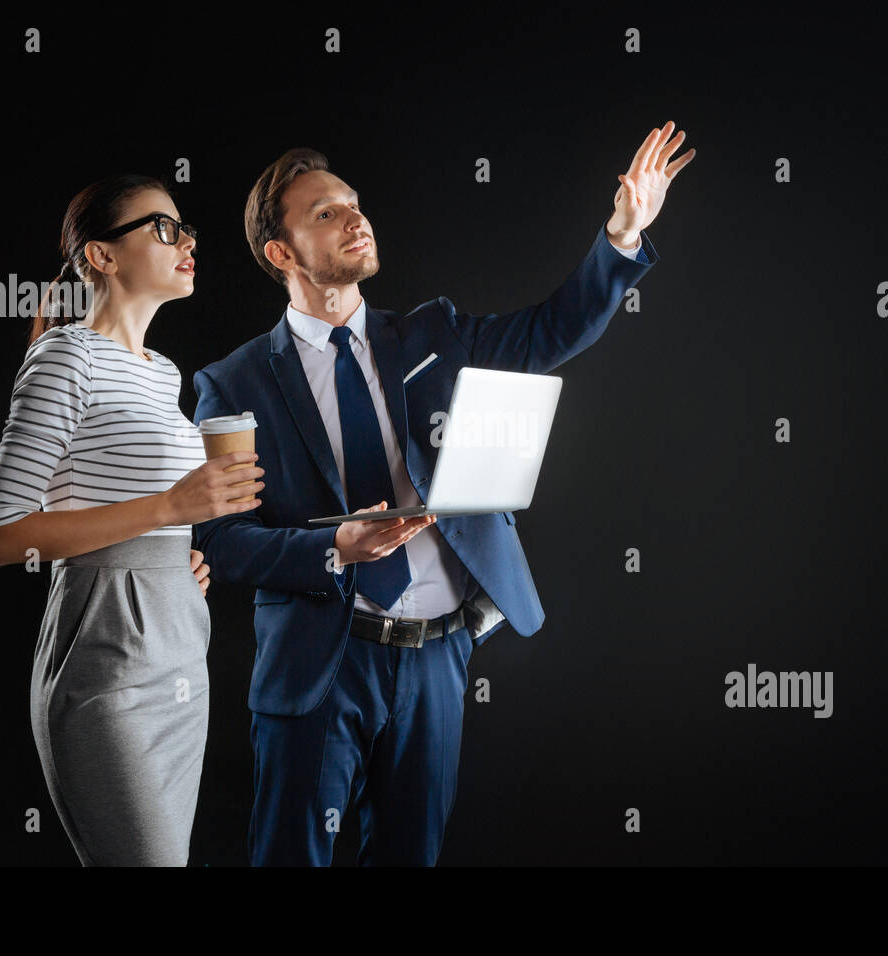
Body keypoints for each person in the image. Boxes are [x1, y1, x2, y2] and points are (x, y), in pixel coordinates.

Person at [193, 122, 694, 865]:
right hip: (321, 667)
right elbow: (219, 542)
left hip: (436, 661)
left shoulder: (435, 334)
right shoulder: (231, 384)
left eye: (354, 204)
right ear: (281, 252)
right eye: (325, 213)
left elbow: (549, 333)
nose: (355, 218)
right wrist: (332, 546)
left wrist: (622, 234)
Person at [0, 174, 266, 866]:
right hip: (103, 660)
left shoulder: (164, 374)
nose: (186, 239)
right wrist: (170, 510)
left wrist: (173, 558)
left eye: (185, 226)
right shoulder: (65, 356)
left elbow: (134, 514)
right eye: (162, 228)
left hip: (179, 649)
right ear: (102, 257)